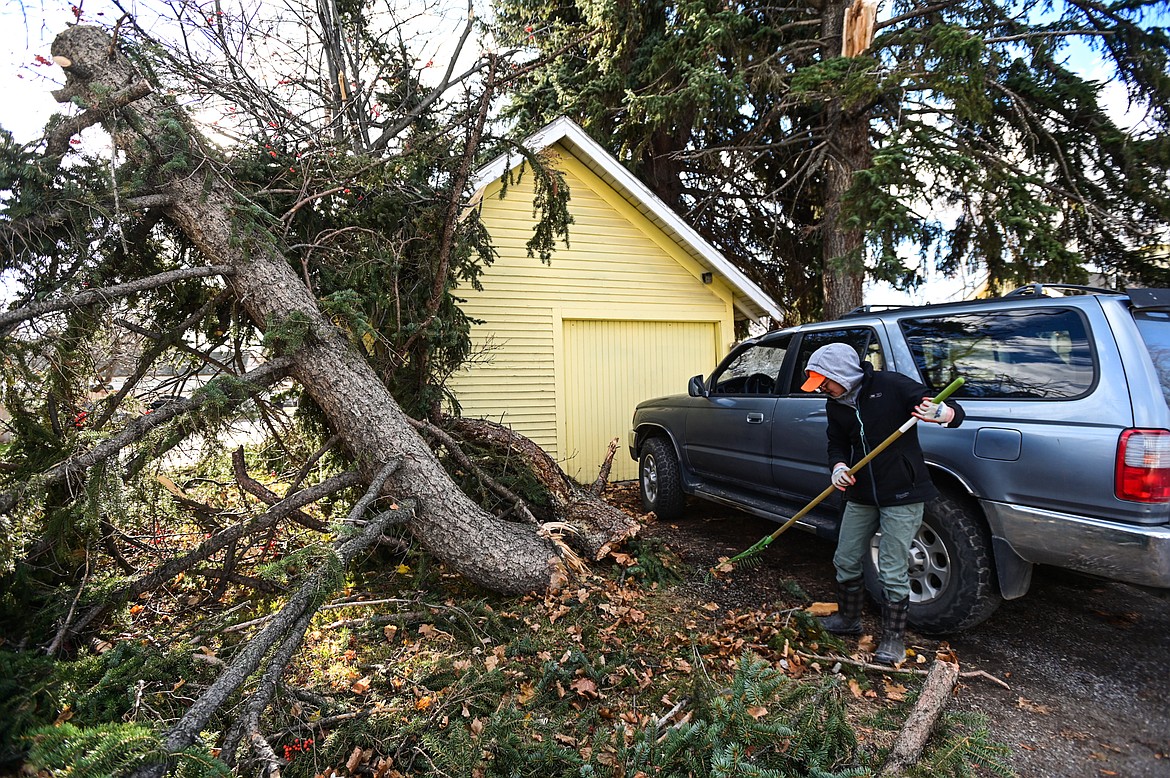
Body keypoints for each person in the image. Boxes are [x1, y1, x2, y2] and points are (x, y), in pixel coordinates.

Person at [800, 342, 965, 665]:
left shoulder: (891, 386)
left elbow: (953, 411)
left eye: (824, 381)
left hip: (903, 493)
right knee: (845, 557)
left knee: (891, 567)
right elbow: (836, 442)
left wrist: (942, 413)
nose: (822, 388)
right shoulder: (836, 404)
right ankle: (849, 620)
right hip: (861, 494)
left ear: (842, 374)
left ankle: (893, 640)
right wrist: (838, 467)